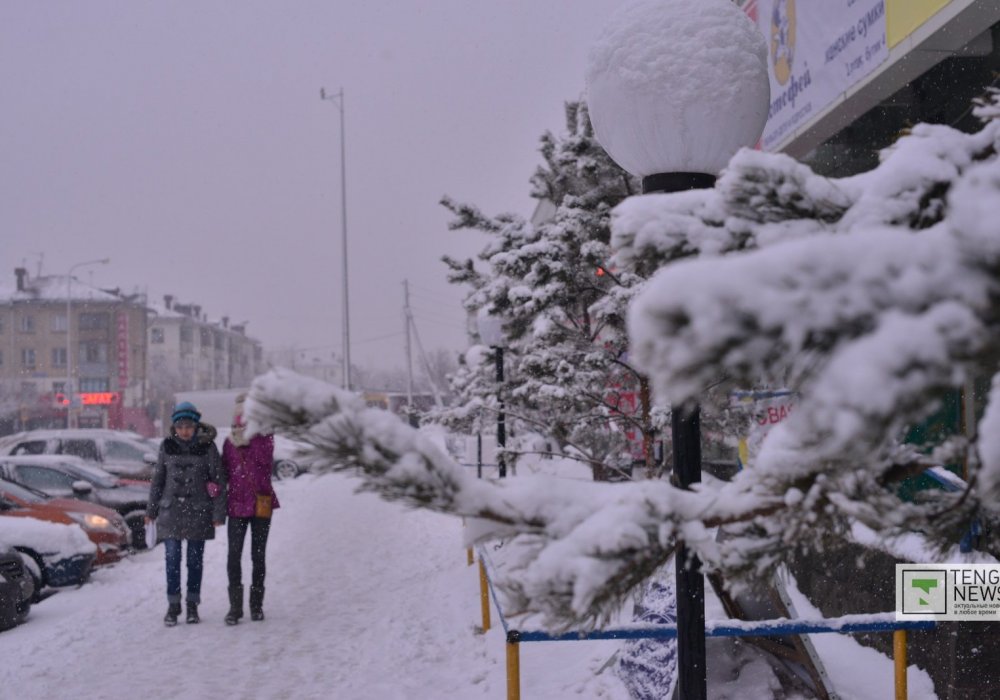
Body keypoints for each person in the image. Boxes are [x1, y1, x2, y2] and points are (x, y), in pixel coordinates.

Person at [146, 401, 227, 626]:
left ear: (195, 426)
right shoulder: (166, 446)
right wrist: (151, 510)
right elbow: (158, 480)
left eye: (188, 426)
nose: (184, 431)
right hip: (171, 511)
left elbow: (219, 481)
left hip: (199, 511)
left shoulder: (208, 447)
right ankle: (173, 606)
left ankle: (192, 606)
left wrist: (219, 513)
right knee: (172, 559)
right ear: (174, 427)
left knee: (194, 561)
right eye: (180, 426)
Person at [221, 394, 279, 624]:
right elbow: (224, 471)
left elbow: (264, 464)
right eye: (239, 416)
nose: (242, 421)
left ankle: (256, 606)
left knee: (258, 556)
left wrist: (250, 438)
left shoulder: (265, 439)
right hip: (236, 505)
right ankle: (235, 608)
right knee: (233, 556)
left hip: (261, 504)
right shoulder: (228, 442)